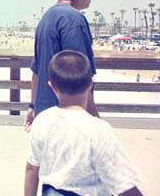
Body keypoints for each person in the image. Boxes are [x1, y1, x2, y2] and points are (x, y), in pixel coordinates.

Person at [24, 50, 142, 196]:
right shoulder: (99, 129)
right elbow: (123, 183)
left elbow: (31, 169)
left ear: (52, 86)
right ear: (90, 85)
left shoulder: (42, 121)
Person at [25, 0, 105, 131]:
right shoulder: (74, 19)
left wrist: (32, 106)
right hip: (68, 122)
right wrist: (96, 122)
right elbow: (80, 77)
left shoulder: (46, 18)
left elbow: (36, 71)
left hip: (43, 118)